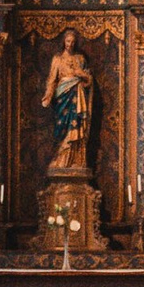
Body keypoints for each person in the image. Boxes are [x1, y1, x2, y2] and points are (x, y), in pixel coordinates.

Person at [41, 23, 97, 175]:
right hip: (63, 96)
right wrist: (48, 96)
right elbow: (52, 80)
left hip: (78, 95)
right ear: (63, 42)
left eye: (72, 42)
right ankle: (61, 159)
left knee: (78, 126)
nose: (70, 44)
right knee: (63, 128)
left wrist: (82, 74)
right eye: (67, 41)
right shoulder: (57, 59)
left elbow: (89, 81)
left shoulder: (80, 59)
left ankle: (77, 160)